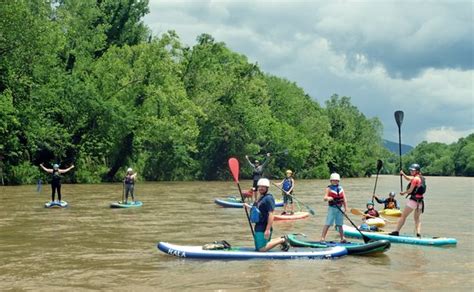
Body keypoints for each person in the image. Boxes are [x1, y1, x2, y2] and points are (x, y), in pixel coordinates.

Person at [245, 178, 289, 252]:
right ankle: (281, 238)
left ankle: (282, 240)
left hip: (264, 226)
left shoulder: (268, 198)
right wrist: (247, 206)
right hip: (258, 225)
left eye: (263, 187)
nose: (261, 188)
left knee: (261, 249)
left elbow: (271, 214)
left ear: (267, 188)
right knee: (258, 247)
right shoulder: (260, 198)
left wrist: (267, 229)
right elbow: (257, 210)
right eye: (260, 186)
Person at [389, 163, 426, 237]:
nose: (411, 171)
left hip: (413, 201)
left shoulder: (415, 179)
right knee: (417, 219)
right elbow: (409, 179)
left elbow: (410, 190)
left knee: (403, 216)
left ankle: (396, 231)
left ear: (417, 171)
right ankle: (418, 233)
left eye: (413, 170)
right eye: (411, 170)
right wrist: (403, 174)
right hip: (420, 202)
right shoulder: (421, 178)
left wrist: (403, 193)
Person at [321, 173, 348, 242]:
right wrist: (328, 198)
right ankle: (322, 238)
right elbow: (325, 198)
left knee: (340, 224)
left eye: (336, 180)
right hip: (332, 208)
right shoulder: (329, 188)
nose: (335, 181)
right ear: (331, 181)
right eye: (333, 180)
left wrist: (346, 209)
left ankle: (342, 238)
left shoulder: (341, 188)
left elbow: (344, 199)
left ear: (338, 181)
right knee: (328, 223)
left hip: (340, 208)